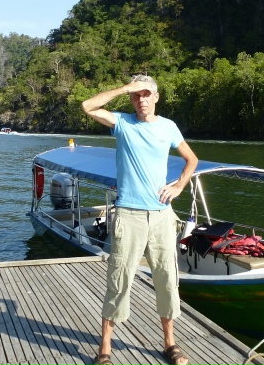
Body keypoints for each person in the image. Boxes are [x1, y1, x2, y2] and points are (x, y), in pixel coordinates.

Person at [82, 74, 198, 365]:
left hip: (161, 216)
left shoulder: (169, 127)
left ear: (156, 97)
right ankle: (104, 349)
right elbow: (87, 106)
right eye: (136, 95)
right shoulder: (122, 123)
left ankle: (170, 344)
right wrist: (123, 88)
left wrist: (179, 185)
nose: (141, 99)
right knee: (118, 281)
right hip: (129, 215)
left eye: (146, 94)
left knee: (167, 280)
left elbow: (192, 159)